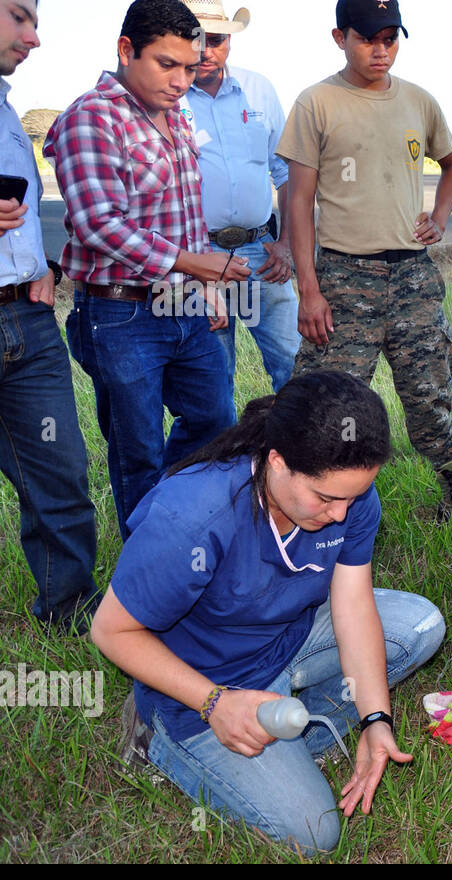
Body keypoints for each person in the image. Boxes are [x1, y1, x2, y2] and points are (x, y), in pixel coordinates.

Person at [90, 371, 445, 855]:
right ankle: (159, 739)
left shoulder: (348, 494)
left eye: (354, 497)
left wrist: (375, 719)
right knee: (315, 831)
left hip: (287, 641)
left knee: (420, 627)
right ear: (276, 462)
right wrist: (214, 702)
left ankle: (281, 736)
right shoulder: (194, 515)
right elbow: (111, 630)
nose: (341, 514)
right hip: (203, 683)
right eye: (326, 498)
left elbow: (353, 605)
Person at [43, 0, 252, 539]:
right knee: (137, 448)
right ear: (125, 50)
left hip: (183, 302)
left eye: (189, 66)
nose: (182, 80)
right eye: (166, 64)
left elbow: (186, 213)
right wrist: (193, 264)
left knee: (214, 423)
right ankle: (147, 563)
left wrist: (200, 284)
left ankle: (182, 529)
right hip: (120, 311)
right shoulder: (91, 117)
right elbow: (99, 226)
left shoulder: (176, 117)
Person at [276, 0, 452, 527]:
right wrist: (309, 290)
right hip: (345, 279)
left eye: (391, 38)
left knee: (429, 394)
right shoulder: (316, 103)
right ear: (340, 37)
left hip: (413, 276)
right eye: (369, 38)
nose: (381, 49)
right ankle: (320, 505)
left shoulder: (419, 101)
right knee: (331, 400)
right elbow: (297, 202)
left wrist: (441, 214)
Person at [0, 0, 98, 630]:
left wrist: (43, 267)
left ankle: (70, 613)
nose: (34, 38)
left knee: (60, 470)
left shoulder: (8, 111)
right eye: (17, 17)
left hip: (26, 324)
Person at [179, 0, 300, 392]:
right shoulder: (168, 99)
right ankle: (223, 454)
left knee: (293, 365)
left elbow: (285, 172)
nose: (205, 51)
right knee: (212, 378)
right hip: (199, 257)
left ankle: (299, 452)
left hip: (262, 252)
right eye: (194, 39)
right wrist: (190, 265)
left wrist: (287, 244)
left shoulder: (258, 89)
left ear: (230, 39)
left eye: (215, 40)